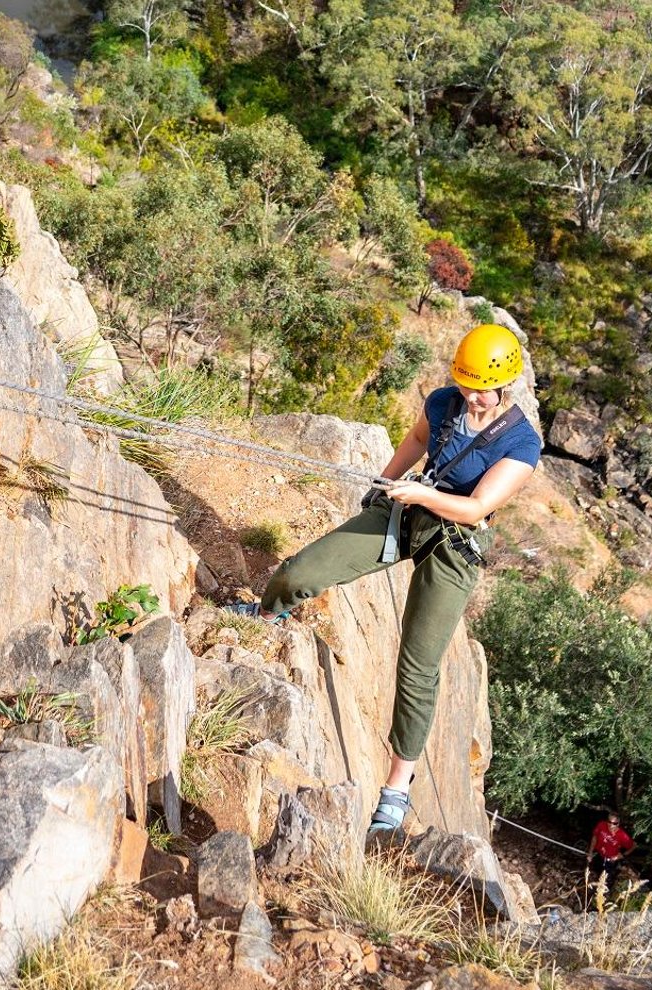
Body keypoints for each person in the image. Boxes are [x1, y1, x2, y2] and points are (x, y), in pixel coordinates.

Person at [229, 324, 542, 841]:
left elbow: (477, 507)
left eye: (480, 388)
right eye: (464, 382)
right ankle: (266, 613)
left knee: (419, 666)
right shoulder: (444, 402)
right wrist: (386, 478)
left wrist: (417, 495)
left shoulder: (521, 443)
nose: (471, 394)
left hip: (453, 542)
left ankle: (396, 789)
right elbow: (420, 438)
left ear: (505, 385)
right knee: (298, 572)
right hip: (408, 508)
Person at [587, 810, 636, 894]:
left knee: (607, 880)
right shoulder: (602, 825)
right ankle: (592, 889)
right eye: (609, 822)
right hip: (599, 855)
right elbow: (595, 837)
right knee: (596, 871)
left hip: (611, 860)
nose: (611, 825)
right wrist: (590, 852)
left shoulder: (622, 836)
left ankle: (602, 896)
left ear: (618, 823)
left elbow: (634, 845)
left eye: (614, 823)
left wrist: (621, 855)